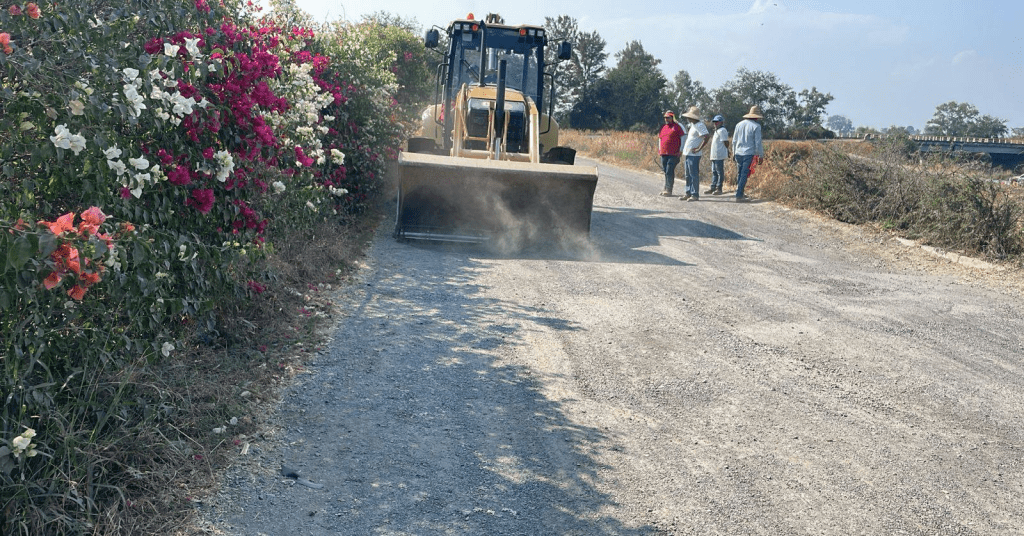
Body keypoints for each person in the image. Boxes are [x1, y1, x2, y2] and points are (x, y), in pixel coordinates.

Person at [732, 105, 764, 202]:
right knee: (744, 174)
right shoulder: (756, 126)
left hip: (738, 152)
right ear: (756, 117)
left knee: (740, 173)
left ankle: (740, 192)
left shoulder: (739, 124)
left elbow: (734, 140)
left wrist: (733, 153)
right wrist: (761, 155)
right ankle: (739, 195)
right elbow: (758, 142)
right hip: (748, 153)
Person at [679, 106, 709, 201]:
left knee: (693, 174)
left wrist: (699, 148)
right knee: (687, 174)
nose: (687, 118)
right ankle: (688, 193)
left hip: (694, 155)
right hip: (688, 153)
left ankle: (694, 194)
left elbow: (706, 136)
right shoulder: (693, 125)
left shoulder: (700, 125)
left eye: (689, 117)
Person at [657, 110, 685, 196]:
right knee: (666, 171)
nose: (666, 119)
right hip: (664, 153)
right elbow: (660, 139)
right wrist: (659, 149)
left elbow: (683, 137)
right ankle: (666, 188)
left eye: (668, 117)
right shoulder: (663, 127)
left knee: (669, 170)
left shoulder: (677, 127)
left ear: (672, 118)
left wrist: (681, 150)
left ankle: (669, 190)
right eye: (665, 118)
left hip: (674, 153)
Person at [705, 115, 730, 195]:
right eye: (714, 122)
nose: (715, 123)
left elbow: (726, 142)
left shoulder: (722, 130)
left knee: (719, 172)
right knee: (714, 172)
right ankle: (713, 187)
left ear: (721, 122)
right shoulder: (716, 130)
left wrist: (727, 150)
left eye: (717, 122)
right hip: (714, 155)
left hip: (719, 155)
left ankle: (719, 188)